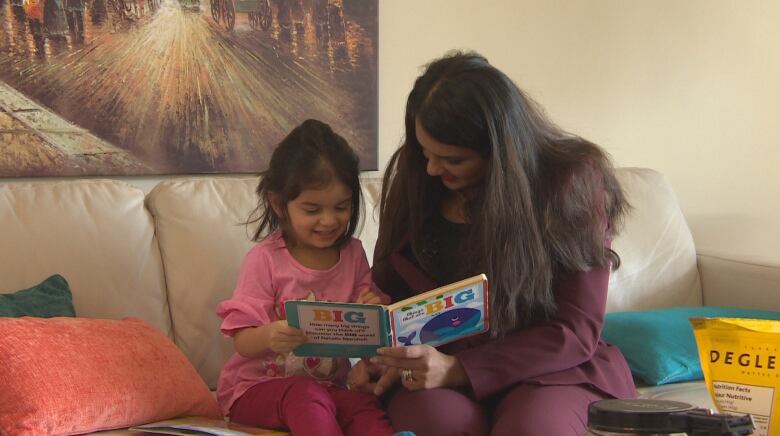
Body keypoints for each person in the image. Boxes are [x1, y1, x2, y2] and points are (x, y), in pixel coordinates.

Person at [347, 51, 637, 436]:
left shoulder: (571, 182)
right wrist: (382, 355)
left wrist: (462, 370)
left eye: (452, 159)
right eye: (426, 153)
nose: (433, 168)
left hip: (549, 369)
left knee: (532, 428)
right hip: (436, 366)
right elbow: (393, 293)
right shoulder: (419, 175)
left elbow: (575, 329)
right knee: (434, 423)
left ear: (501, 151)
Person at [216, 119, 400, 436]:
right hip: (255, 390)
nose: (329, 221)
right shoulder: (265, 259)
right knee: (306, 394)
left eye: (341, 207)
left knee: (362, 406)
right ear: (279, 205)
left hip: (328, 386)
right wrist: (269, 335)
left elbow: (372, 335)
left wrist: (373, 311)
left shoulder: (353, 254)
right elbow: (243, 341)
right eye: (312, 210)